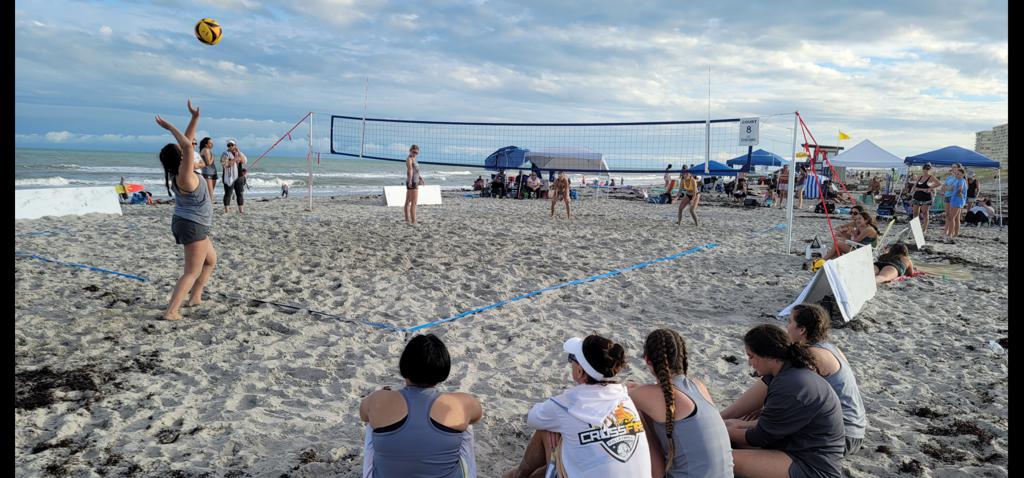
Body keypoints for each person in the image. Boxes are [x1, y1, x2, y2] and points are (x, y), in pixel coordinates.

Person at [724, 305, 868, 458]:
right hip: (855, 429)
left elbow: (783, 391)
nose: (786, 327)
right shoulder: (831, 349)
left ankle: (720, 419)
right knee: (753, 419)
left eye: (790, 322)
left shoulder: (810, 355)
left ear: (802, 330)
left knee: (747, 432)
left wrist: (738, 420)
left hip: (841, 436)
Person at [502, 335, 651, 478]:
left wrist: (557, 426)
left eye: (571, 359)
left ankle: (518, 474)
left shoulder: (565, 405)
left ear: (580, 371)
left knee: (548, 429)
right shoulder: (624, 397)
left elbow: (533, 418)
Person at [724, 324, 845, 478]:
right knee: (737, 426)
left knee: (721, 458)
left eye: (751, 356)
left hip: (812, 465)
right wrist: (737, 424)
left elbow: (759, 436)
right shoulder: (789, 371)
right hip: (796, 445)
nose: (749, 363)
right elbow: (769, 426)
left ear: (768, 355)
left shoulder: (790, 386)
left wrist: (721, 430)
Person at [360, 334, 482, 478]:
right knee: (464, 423)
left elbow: (363, 414)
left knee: (373, 421)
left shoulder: (378, 399)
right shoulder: (461, 402)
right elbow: (477, 416)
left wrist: (385, 398)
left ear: (404, 366)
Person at [628, 329, 734, 477]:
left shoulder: (655, 395)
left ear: (647, 360)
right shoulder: (699, 386)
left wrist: (636, 389)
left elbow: (613, 395)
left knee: (634, 413)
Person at [154, 100, 217, 322]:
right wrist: (170, 127)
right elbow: (189, 147)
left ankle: (195, 297)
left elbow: (187, 142)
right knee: (191, 271)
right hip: (193, 225)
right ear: (181, 157)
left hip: (190, 222)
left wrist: (194, 118)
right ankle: (171, 311)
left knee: (210, 261)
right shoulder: (185, 176)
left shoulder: (179, 171)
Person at [910, 163, 940, 234]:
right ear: (922, 169)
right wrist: (921, 190)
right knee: (915, 213)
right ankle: (915, 228)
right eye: (924, 169)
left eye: (927, 169)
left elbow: (939, 183)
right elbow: (914, 187)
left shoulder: (931, 177)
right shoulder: (920, 177)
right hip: (917, 196)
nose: (925, 170)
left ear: (930, 170)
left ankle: (924, 229)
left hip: (926, 197)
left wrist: (931, 188)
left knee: (925, 213)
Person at [221, 140, 247, 214]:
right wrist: (235, 159)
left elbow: (244, 161)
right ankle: (227, 211)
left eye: (232, 145)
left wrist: (238, 152)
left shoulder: (239, 153)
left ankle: (241, 211)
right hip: (229, 177)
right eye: (228, 145)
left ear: (235, 145)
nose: (230, 146)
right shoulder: (225, 154)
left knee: (240, 194)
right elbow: (225, 164)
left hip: (239, 176)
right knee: (228, 194)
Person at [944, 166, 968, 242]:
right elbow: (951, 188)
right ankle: (956, 233)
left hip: (957, 200)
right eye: (956, 173)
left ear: (963, 174)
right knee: (956, 218)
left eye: (958, 174)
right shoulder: (957, 180)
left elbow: (960, 188)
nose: (957, 175)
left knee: (951, 218)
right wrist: (944, 189)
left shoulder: (962, 180)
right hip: (954, 199)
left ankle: (950, 234)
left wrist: (959, 192)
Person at [404, 144, 425, 224]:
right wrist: (410, 181)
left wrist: (420, 177)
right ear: (410, 151)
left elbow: (416, 171)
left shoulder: (414, 159)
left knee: (408, 201)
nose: (415, 154)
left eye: (416, 153)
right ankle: (413, 221)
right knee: (414, 202)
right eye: (414, 152)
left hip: (414, 181)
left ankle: (407, 220)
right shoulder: (409, 159)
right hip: (413, 182)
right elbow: (410, 171)